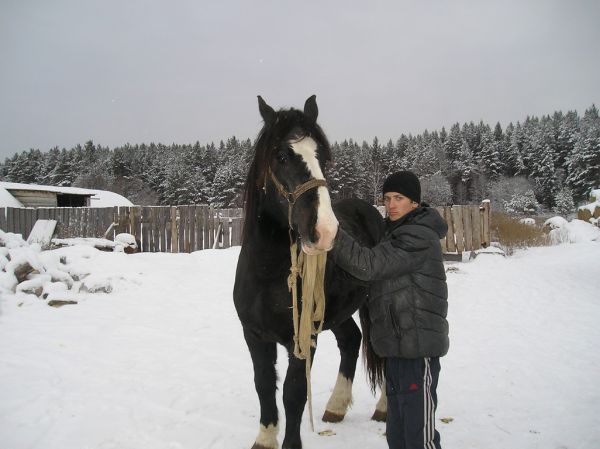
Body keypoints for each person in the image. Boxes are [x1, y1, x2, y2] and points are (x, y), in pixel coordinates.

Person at [329, 170, 449, 449]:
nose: (391, 204)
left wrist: (332, 232)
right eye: (386, 198)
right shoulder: (392, 234)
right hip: (396, 350)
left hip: (417, 352)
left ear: (415, 203)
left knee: (420, 437)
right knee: (397, 435)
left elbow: (369, 264)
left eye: (399, 198)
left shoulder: (417, 237)